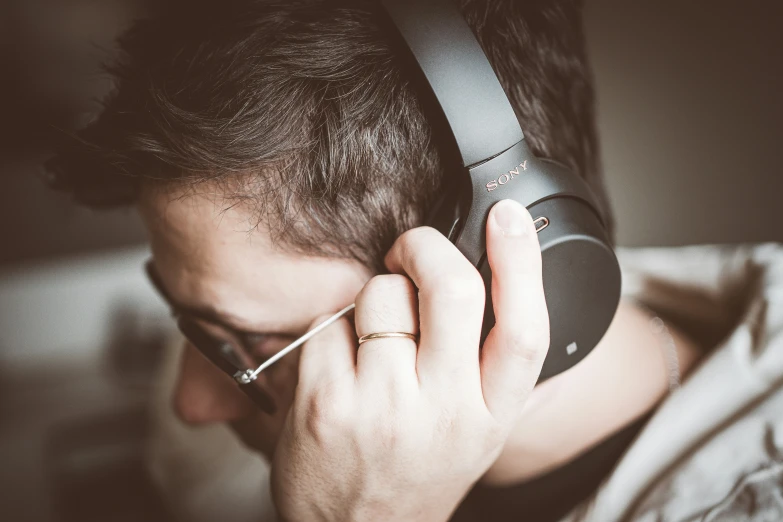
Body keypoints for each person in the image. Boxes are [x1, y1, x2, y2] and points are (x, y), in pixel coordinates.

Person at [48, 1, 706, 520]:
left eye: (243, 346)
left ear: (489, 290)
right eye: (191, 325)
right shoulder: (218, 442)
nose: (190, 406)